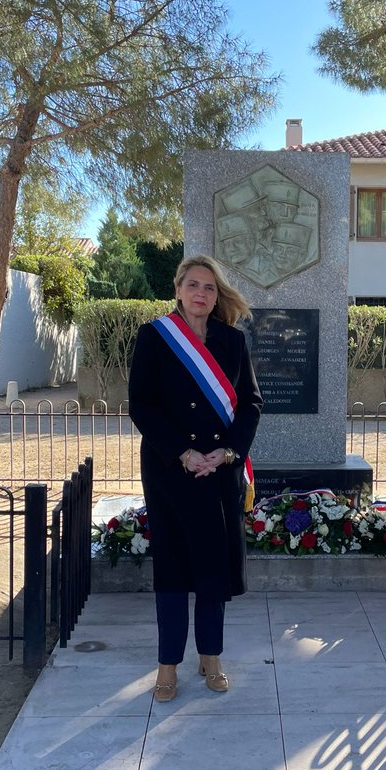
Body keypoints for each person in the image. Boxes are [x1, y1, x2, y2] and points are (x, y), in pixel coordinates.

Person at [128, 254, 262, 703]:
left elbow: (250, 405)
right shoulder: (155, 336)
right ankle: (167, 664)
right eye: (193, 285)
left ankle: (211, 657)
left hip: (218, 471)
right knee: (171, 567)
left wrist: (226, 452)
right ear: (178, 288)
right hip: (171, 469)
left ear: (216, 293)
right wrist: (183, 453)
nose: (201, 293)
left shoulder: (232, 341)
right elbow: (141, 405)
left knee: (212, 567)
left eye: (209, 287)